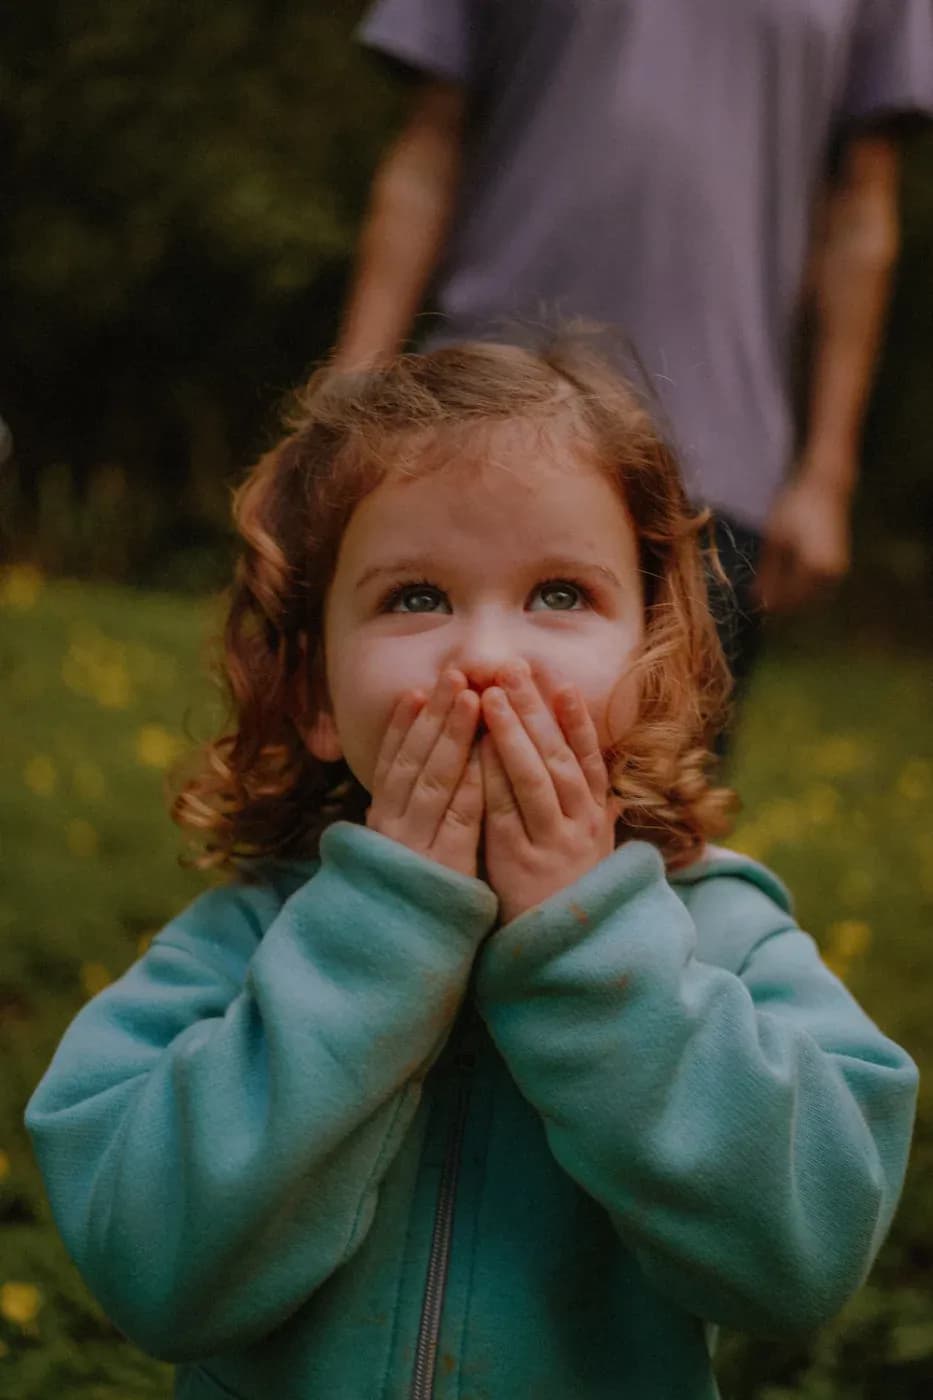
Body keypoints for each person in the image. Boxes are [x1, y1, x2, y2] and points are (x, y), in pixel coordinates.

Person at [25, 341, 917, 1400]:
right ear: (314, 689)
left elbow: (800, 1261)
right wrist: (374, 938)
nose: (489, 657)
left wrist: (591, 948)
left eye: (557, 591)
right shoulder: (250, 938)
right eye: (414, 598)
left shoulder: (719, 934)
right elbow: (153, 1274)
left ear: (652, 662)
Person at [336, 0, 933, 691]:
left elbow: (860, 209)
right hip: (468, 430)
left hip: (716, 461)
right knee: (405, 764)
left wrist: (826, 474)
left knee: (655, 787)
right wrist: (347, 408)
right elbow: (426, 154)